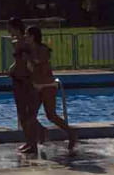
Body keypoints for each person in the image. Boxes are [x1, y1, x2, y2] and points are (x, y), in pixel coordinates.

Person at [26, 26, 76, 154]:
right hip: (37, 85)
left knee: (51, 115)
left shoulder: (42, 49)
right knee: (29, 115)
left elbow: (38, 62)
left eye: (27, 35)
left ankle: (71, 134)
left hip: (47, 85)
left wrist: (27, 56)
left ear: (33, 37)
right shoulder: (29, 50)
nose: (26, 38)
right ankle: (41, 131)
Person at [5, 17, 43, 154]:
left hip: (25, 80)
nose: (8, 31)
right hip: (17, 79)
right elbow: (18, 61)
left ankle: (33, 142)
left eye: (9, 28)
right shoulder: (16, 42)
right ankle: (29, 141)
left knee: (27, 115)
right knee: (21, 114)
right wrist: (12, 68)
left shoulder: (25, 43)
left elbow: (29, 61)